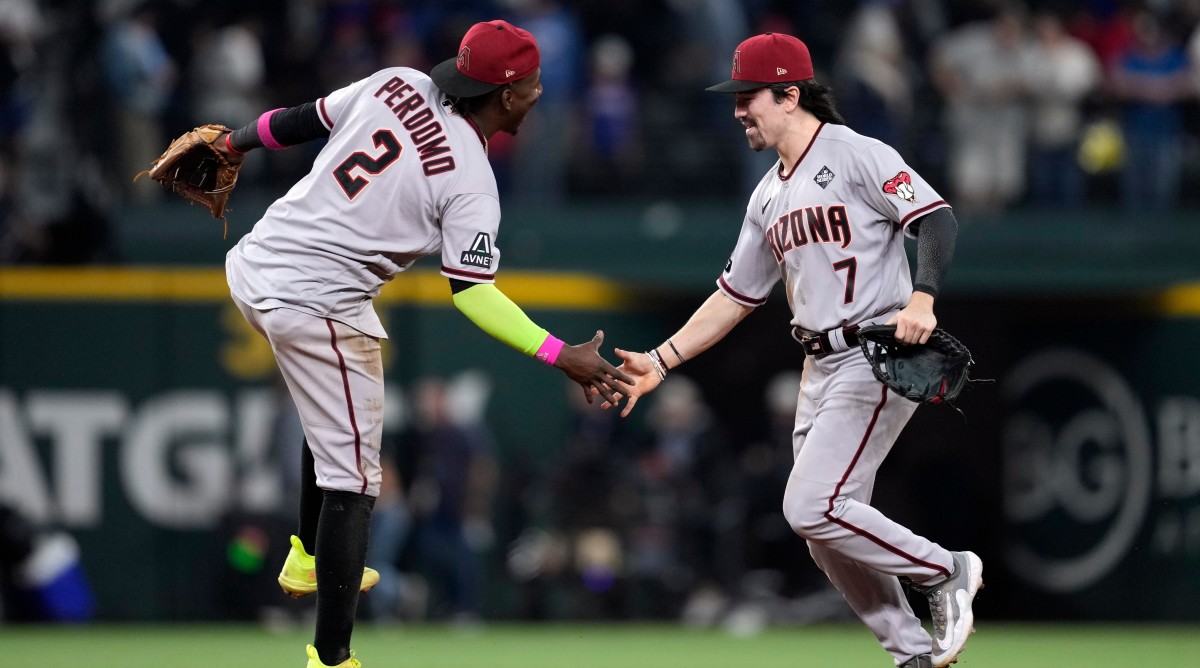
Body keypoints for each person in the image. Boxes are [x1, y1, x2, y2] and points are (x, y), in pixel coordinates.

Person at [208, 19, 631, 668]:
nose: (541, 94)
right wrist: (558, 352)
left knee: (337, 434)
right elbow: (473, 292)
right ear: (510, 94)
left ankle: (307, 558)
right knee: (355, 478)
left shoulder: (396, 82)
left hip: (260, 261)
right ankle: (331, 655)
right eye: (536, 85)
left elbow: (303, 118)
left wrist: (232, 143)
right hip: (313, 299)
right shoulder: (470, 177)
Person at [606, 33, 982, 668]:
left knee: (812, 504)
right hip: (817, 363)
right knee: (825, 534)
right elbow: (733, 296)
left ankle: (945, 569)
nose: (738, 111)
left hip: (876, 349)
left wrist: (924, 296)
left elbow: (936, 217)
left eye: (749, 97)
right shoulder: (767, 194)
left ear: (789, 93)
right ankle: (914, 655)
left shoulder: (857, 153)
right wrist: (662, 359)